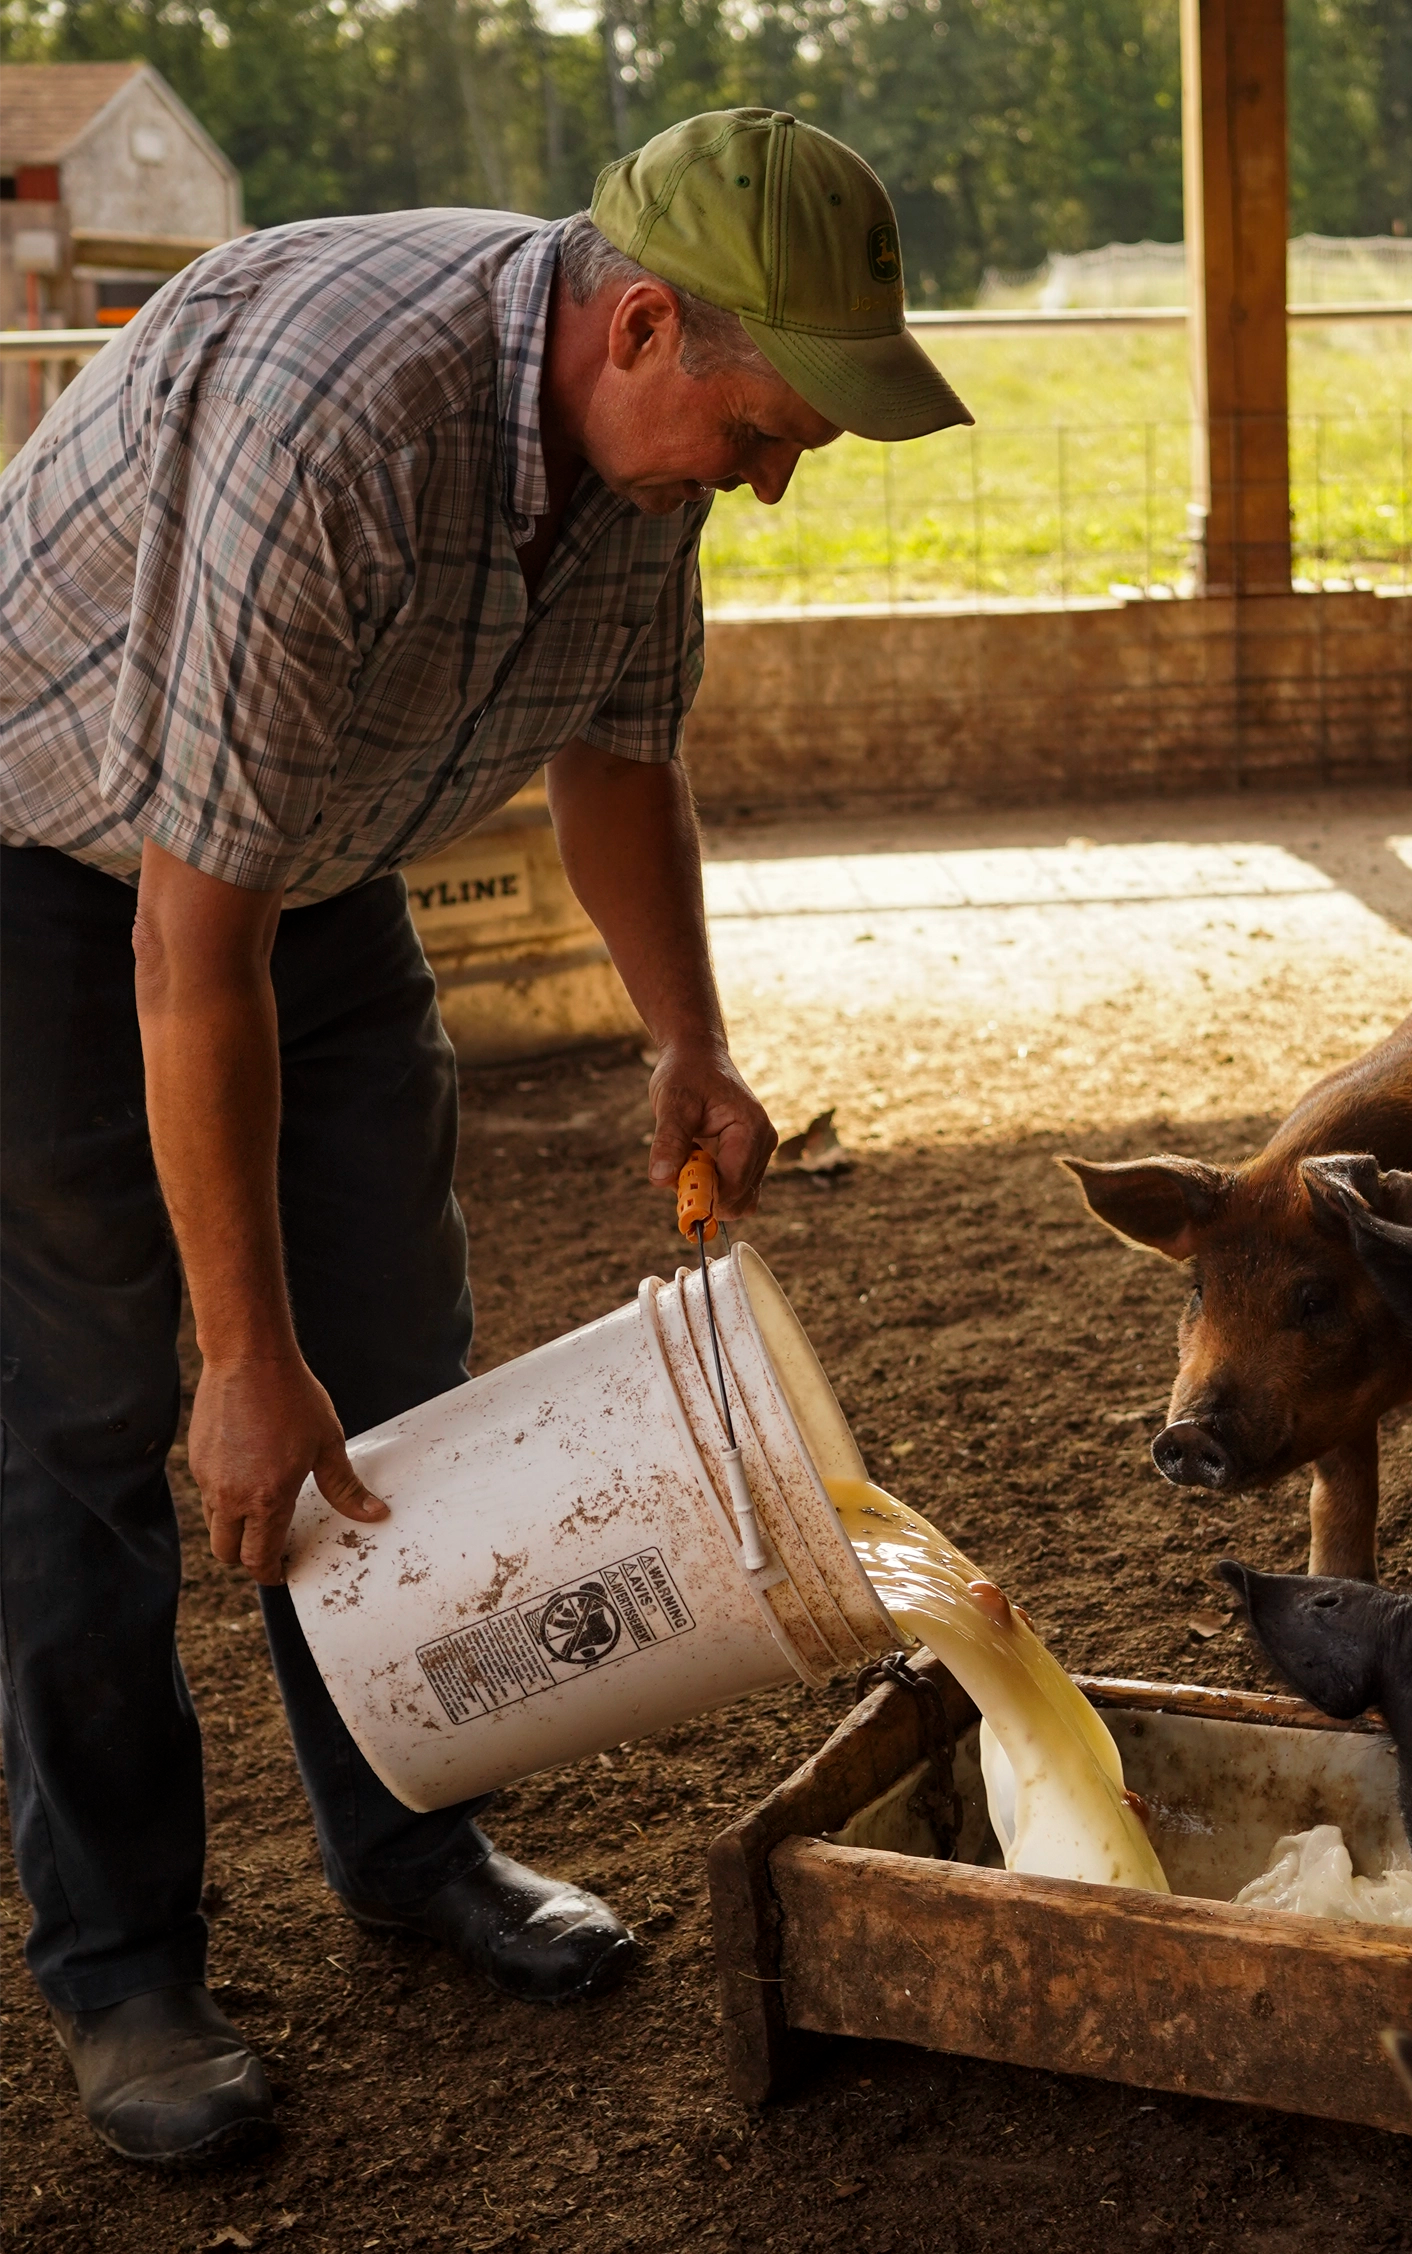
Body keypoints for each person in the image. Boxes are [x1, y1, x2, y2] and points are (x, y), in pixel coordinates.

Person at [0, 108, 970, 2165]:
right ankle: (125, 1964)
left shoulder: (643, 447)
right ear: (639, 329)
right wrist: (244, 1355)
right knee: (93, 1416)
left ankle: (410, 1838)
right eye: (770, 430)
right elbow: (188, 944)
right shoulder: (335, 430)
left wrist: (684, 1037)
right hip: (54, 873)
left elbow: (622, 750)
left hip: (307, 854)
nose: (775, 477)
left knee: (405, 1377)